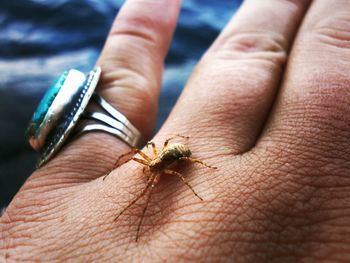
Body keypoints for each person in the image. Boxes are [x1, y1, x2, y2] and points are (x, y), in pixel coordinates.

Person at [1, 0, 350, 261]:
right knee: (139, 164)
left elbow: (178, 174)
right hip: (173, 152)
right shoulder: (150, 161)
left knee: (152, 190)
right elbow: (143, 152)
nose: (147, 168)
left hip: (179, 156)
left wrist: (199, 172)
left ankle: (134, 214)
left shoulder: (163, 170)